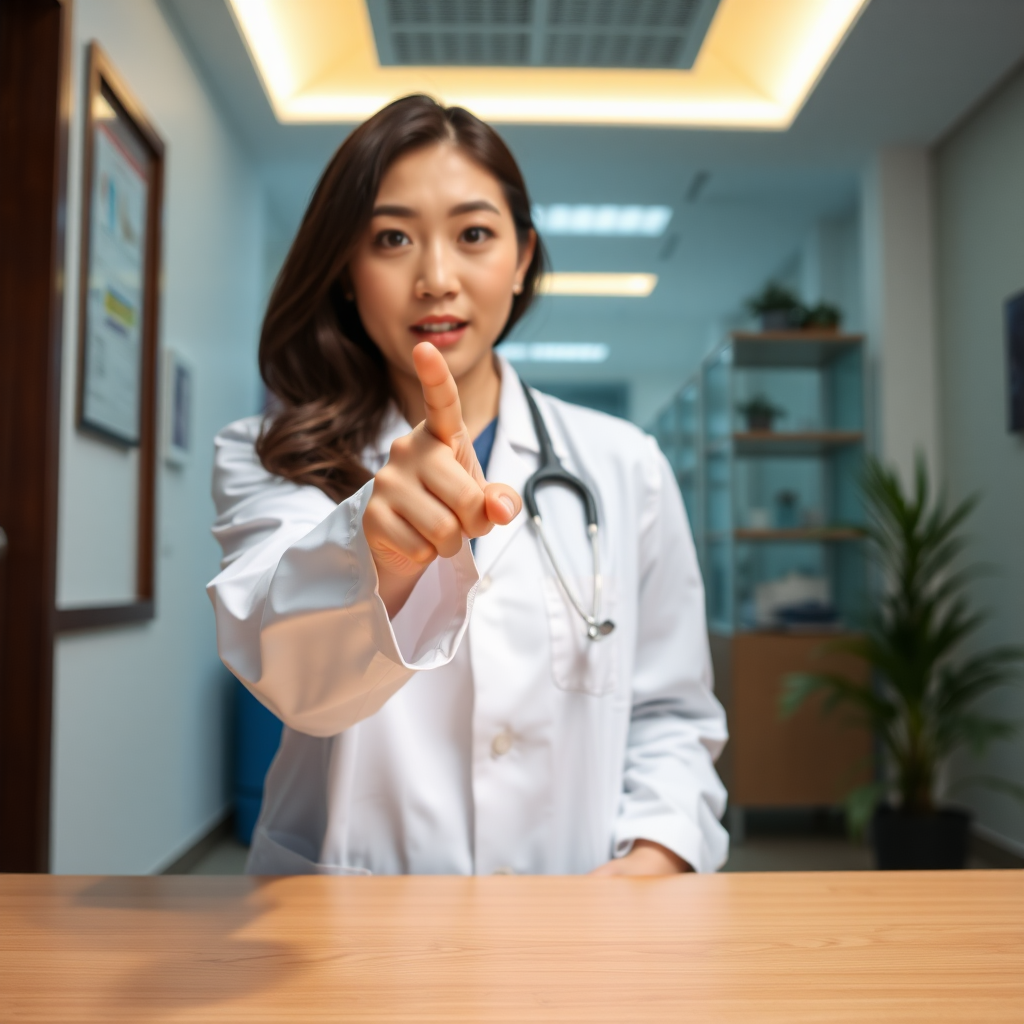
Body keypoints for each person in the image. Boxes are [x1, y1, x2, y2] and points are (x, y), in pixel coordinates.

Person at [208, 95, 728, 877]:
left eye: (474, 234)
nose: (436, 278)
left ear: (522, 259)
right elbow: (293, 682)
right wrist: (373, 548)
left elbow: (672, 716)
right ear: (346, 271)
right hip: (348, 940)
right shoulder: (270, 455)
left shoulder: (627, 465)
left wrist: (648, 866)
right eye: (391, 239)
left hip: (577, 934)